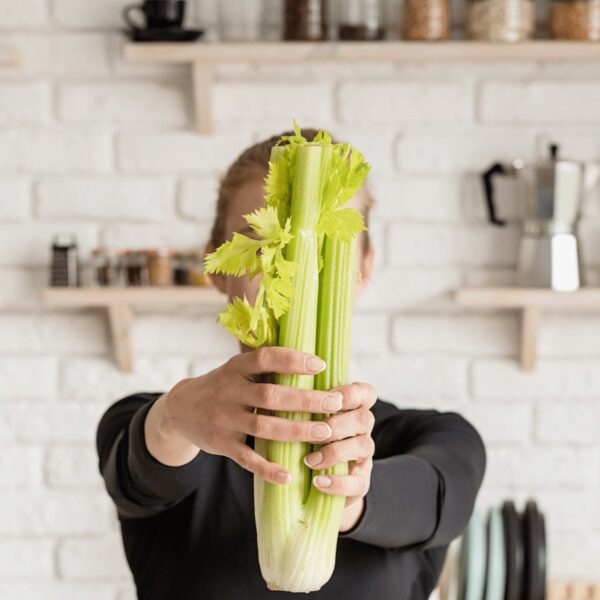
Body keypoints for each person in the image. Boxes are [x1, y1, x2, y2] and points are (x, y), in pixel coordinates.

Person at [96, 129, 486, 600]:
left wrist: (352, 495)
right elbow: (138, 472)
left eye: (325, 247)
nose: (293, 271)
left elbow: (442, 499)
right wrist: (171, 419)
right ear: (217, 264)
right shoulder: (153, 425)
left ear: (364, 266)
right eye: (259, 241)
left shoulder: (433, 439)